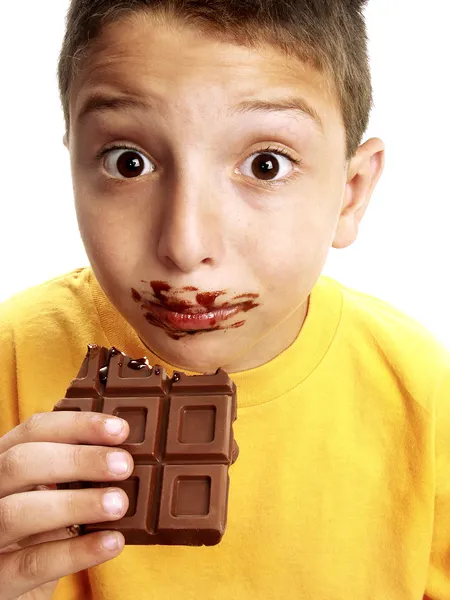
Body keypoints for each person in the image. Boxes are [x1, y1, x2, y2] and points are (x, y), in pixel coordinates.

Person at [0, 0, 448, 598]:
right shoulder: (10, 365)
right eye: (127, 162)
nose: (185, 246)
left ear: (351, 191)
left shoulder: (424, 398)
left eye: (265, 165)